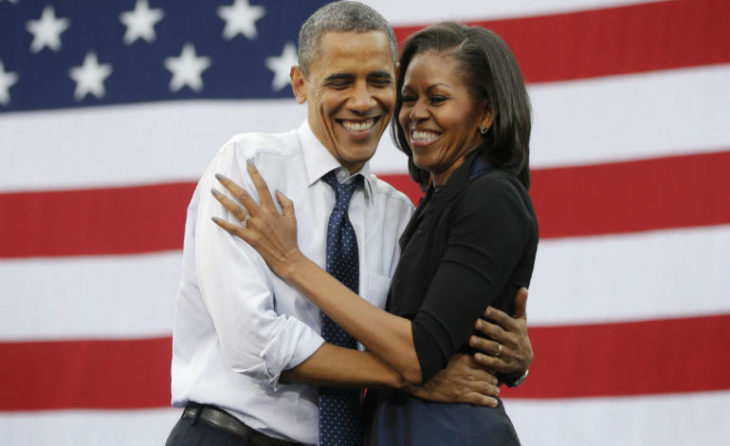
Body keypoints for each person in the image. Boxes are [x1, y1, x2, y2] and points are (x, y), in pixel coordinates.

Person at [168, 2, 532, 446]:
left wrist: (509, 357)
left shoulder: (398, 212)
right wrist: (412, 378)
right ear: (301, 85)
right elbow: (252, 342)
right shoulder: (250, 168)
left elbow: (418, 334)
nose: (362, 101)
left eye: (378, 81)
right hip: (231, 435)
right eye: (340, 81)